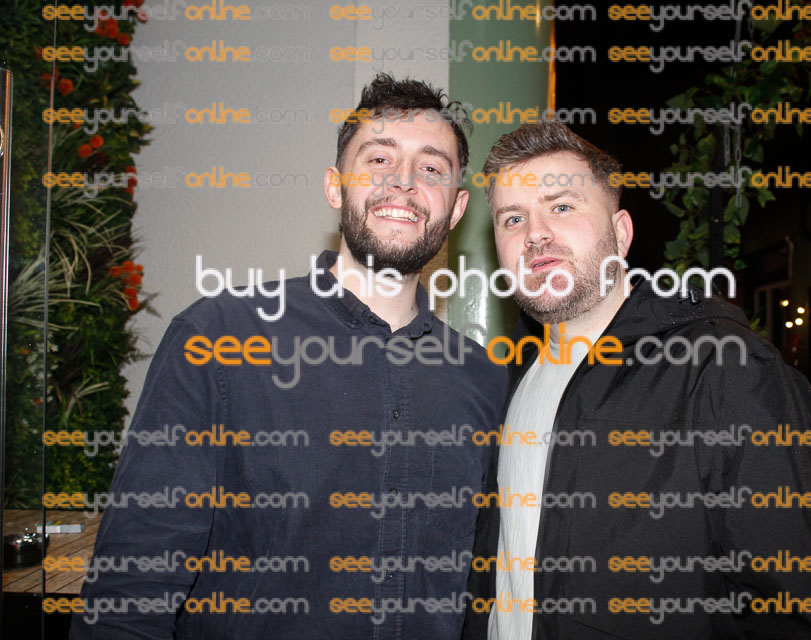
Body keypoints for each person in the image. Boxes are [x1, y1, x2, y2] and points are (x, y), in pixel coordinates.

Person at [71, 74, 506, 639]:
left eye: (431, 168)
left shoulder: (483, 380)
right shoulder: (218, 339)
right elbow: (129, 595)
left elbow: (480, 593)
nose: (403, 181)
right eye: (378, 159)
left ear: (456, 208)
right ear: (334, 187)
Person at [461, 121, 811, 639]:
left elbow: (793, 615)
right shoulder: (512, 375)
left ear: (620, 233)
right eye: (513, 218)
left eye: (562, 206)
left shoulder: (724, 370)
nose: (535, 234)